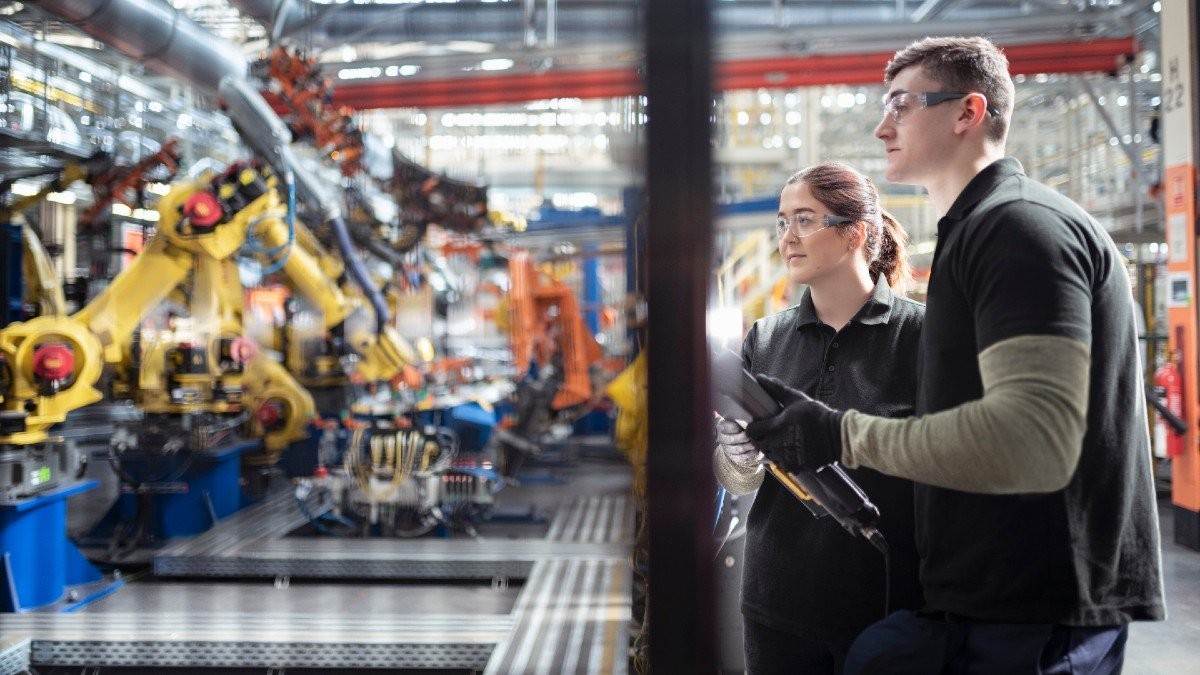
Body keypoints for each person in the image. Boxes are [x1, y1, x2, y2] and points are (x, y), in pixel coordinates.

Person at [743, 36, 1165, 673]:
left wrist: (840, 433)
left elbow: (1033, 441)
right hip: (991, 606)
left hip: (1035, 610)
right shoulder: (980, 233)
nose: (883, 126)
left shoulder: (1017, 230)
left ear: (969, 113)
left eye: (903, 105)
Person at [713, 161, 924, 673]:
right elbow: (738, 479)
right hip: (776, 602)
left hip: (886, 601)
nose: (788, 237)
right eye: (782, 222)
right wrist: (736, 455)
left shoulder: (921, 337)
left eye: (805, 220)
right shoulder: (766, 338)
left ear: (854, 232)